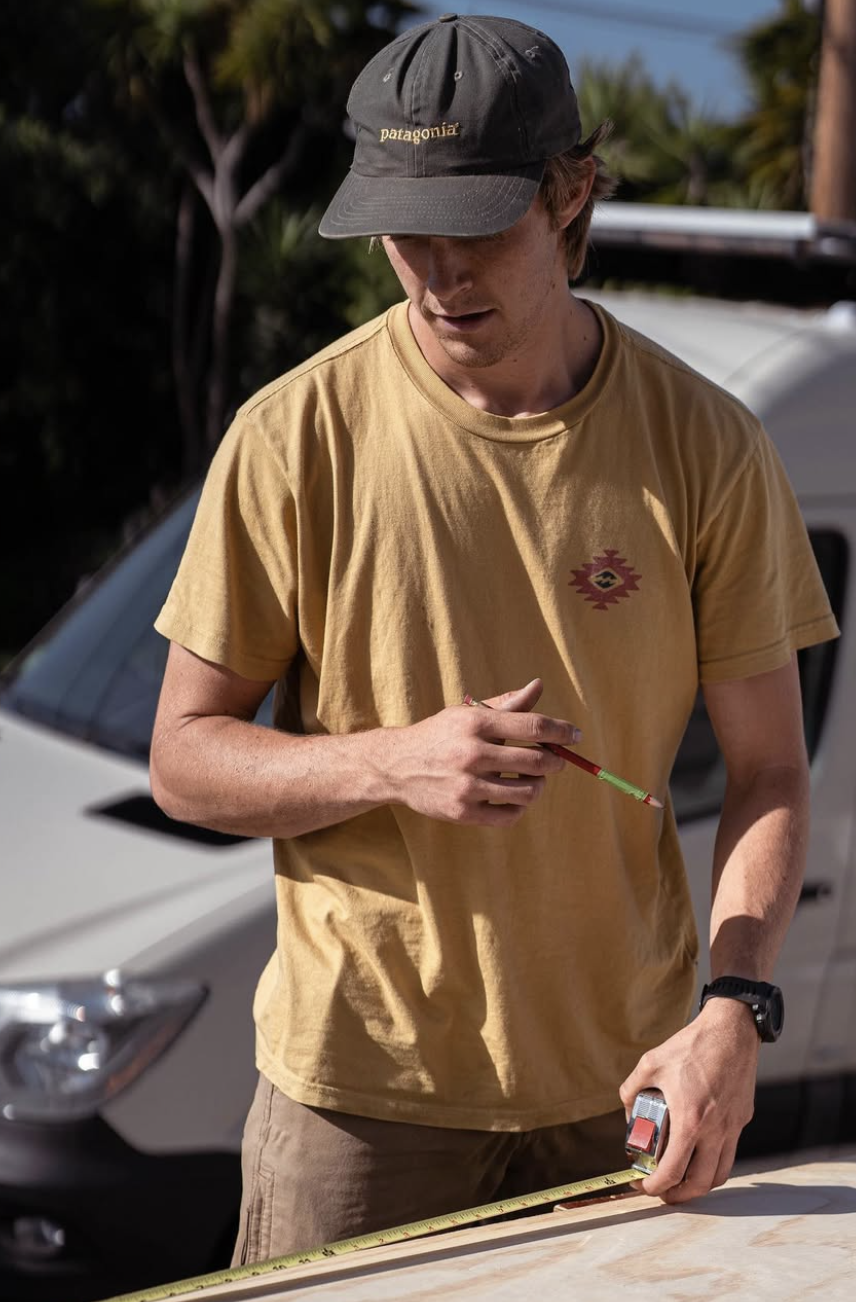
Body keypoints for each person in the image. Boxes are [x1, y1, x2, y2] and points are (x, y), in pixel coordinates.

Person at [150, 12, 838, 1266]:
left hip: (623, 1091)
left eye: (475, 229)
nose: (437, 274)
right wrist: (391, 761)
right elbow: (185, 760)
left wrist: (734, 1005)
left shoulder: (707, 445)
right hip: (360, 1099)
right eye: (405, 233)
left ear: (569, 194)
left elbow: (770, 772)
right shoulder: (293, 436)